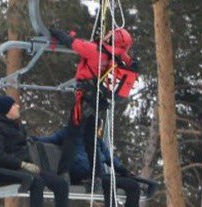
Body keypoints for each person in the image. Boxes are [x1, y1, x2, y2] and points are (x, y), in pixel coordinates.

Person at [47, 25, 139, 178]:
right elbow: (130, 66)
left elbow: (72, 43)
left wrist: (57, 33)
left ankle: (63, 172)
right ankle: (97, 175)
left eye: (109, 33)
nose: (106, 34)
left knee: (71, 134)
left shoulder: (94, 50)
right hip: (99, 102)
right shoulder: (121, 58)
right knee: (91, 140)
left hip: (85, 99)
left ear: (112, 38)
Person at [0, 93, 73, 207]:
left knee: (60, 184)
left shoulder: (17, 127)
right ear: (6, 110)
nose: (18, 106)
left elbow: (24, 145)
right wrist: (22, 164)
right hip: (7, 170)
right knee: (37, 181)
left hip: (25, 168)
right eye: (13, 104)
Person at [34, 124, 154, 207]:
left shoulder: (98, 142)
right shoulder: (69, 134)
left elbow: (110, 159)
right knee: (108, 183)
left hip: (101, 177)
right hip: (82, 177)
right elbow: (47, 140)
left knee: (132, 185)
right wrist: (27, 140)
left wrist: (125, 171)